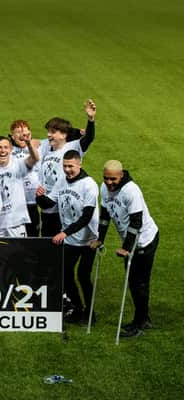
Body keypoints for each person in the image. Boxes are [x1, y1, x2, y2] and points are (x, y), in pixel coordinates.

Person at [90, 160, 159, 338]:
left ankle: (141, 322)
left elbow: (136, 222)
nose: (109, 182)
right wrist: (99, 239)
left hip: (144, 240)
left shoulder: (131, 191)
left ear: (121, 175)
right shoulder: (104, 189)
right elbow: (104, 216)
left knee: (139, 283)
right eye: (105, 178)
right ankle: (143, 318)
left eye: (113, 179)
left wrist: (126, 248)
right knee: (134, 282)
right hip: (131, 241)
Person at [36, 150, 99, 323]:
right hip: (71, 240)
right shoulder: (62, 180)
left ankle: (90, 312)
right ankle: (78, 308)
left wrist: (64, 232)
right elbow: (50, 202)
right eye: (65, 166)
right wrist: (39, 197)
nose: (67, 169)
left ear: (80, 164)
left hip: (88, 240)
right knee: (65, 273)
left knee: (83, 276)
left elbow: (86, 217)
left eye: (71, 166)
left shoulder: (89, 185)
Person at [38, 99, 96, 237]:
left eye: (52, 132)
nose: (48, 135)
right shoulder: (46, 148)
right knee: (47, 244)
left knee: (62, 245)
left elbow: (88, 138)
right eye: (48, 131)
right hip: (47, 206)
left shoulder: (73, 147)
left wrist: (91, 119)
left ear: (63, 135)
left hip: (62, 207)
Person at [0, 135, 39, 237]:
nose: (3, 150)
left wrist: (29, 144)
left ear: (11, 150)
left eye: (6, 147)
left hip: (16, 222)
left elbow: (35, 158)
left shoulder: (17, 164)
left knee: (18, 253)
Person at [9, 120, 42, 237]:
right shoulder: (7, 150)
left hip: (32, 203)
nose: (22, 135)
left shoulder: (40, 147)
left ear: (30, 134)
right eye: (18, 132)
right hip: (15, 204)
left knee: (33, 239)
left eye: (24, 131)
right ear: (12, 136)